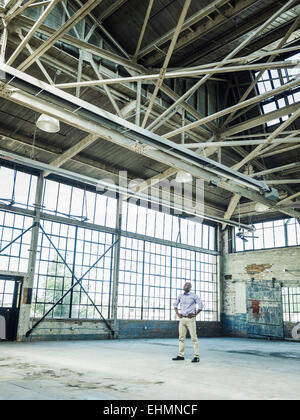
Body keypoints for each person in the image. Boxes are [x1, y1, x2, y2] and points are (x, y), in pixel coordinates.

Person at [172, 282, 204, 363]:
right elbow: (175, 305)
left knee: (194, 338)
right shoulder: (180, 296)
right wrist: (177, 313)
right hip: (182, 319)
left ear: (190, 287)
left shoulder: (193, 295)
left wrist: (195, 314)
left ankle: (196, 356)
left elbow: (200, 305)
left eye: (188, 285)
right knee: (181, 338)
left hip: (190, 320)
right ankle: (180, 355)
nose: (185, 286)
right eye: (185, 285)